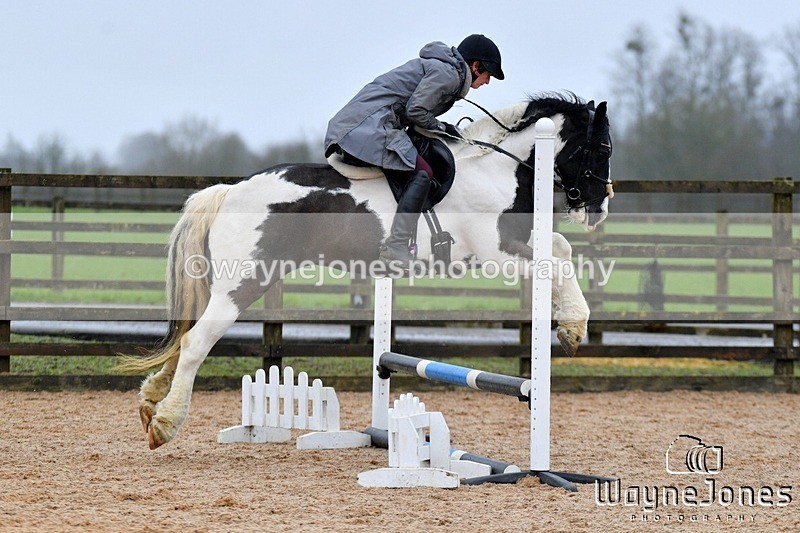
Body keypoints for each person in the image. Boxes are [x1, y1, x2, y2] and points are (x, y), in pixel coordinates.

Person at [324, 34, 504, 267]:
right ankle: (396, 246)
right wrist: (442, 128)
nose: (488, 82)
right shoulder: (448, 74)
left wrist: (442, 128)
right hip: (366, 127)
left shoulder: (447, 71)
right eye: (488, 74)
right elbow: (417, 111)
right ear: (476, 66)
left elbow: (415, 112)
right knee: (423, 173)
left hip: (366, 125)